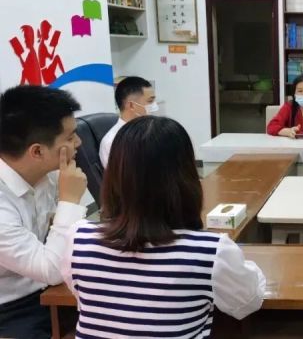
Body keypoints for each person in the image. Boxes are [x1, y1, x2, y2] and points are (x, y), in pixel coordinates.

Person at [62, 116, 266, 338]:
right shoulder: (211, 253)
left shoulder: (78, 239)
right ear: (187, 176)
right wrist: (244, 264)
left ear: (114, 176)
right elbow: (248, 302)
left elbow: (83, 295)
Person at [0, 85, 88, 339]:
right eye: (70, 137)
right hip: (12, 308)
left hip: (55, 288)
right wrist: (70, 201)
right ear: (37, 151)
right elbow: (49, 269)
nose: (79, 143)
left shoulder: (50, 174)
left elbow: (80, 233)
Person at [99, 76, 158, 168]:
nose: (155, 106)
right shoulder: (112, 142)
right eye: (150, 101)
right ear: (131, 105)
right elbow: (120, 176)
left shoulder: (151, 130)